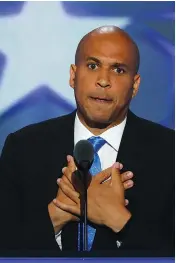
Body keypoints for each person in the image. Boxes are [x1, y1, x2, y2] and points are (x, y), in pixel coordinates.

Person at [0, 26, 174, 257]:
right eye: (93, 66)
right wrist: (56, 215)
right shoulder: (23, 148)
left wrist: (119, 220)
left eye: (118, 70)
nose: (103, 80)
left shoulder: (169, 153)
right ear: (73, 75)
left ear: (135, 85)